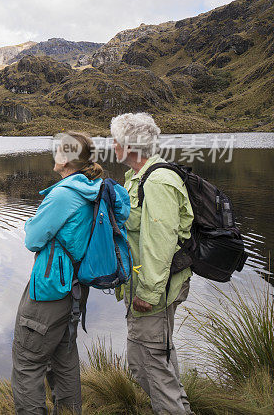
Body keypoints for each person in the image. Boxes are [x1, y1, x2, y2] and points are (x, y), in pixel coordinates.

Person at [12, 132, 107, 415]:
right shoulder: (92, 187)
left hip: (50, 289)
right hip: (76, 289)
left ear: (66, 159)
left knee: (27, 362)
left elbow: (33, 239)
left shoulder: (64, 194)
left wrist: (33, 222)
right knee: (63, 358)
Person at [111, 112, 193, 415]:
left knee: (149, 366)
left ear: (129, 145)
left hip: (153, 292)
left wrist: (147, 292)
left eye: (116, 139)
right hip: (143, 286)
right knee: (153, 362)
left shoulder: (158, 181)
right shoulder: (138, 178)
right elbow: (137, 228)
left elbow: (159, 243)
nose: (112, 145)